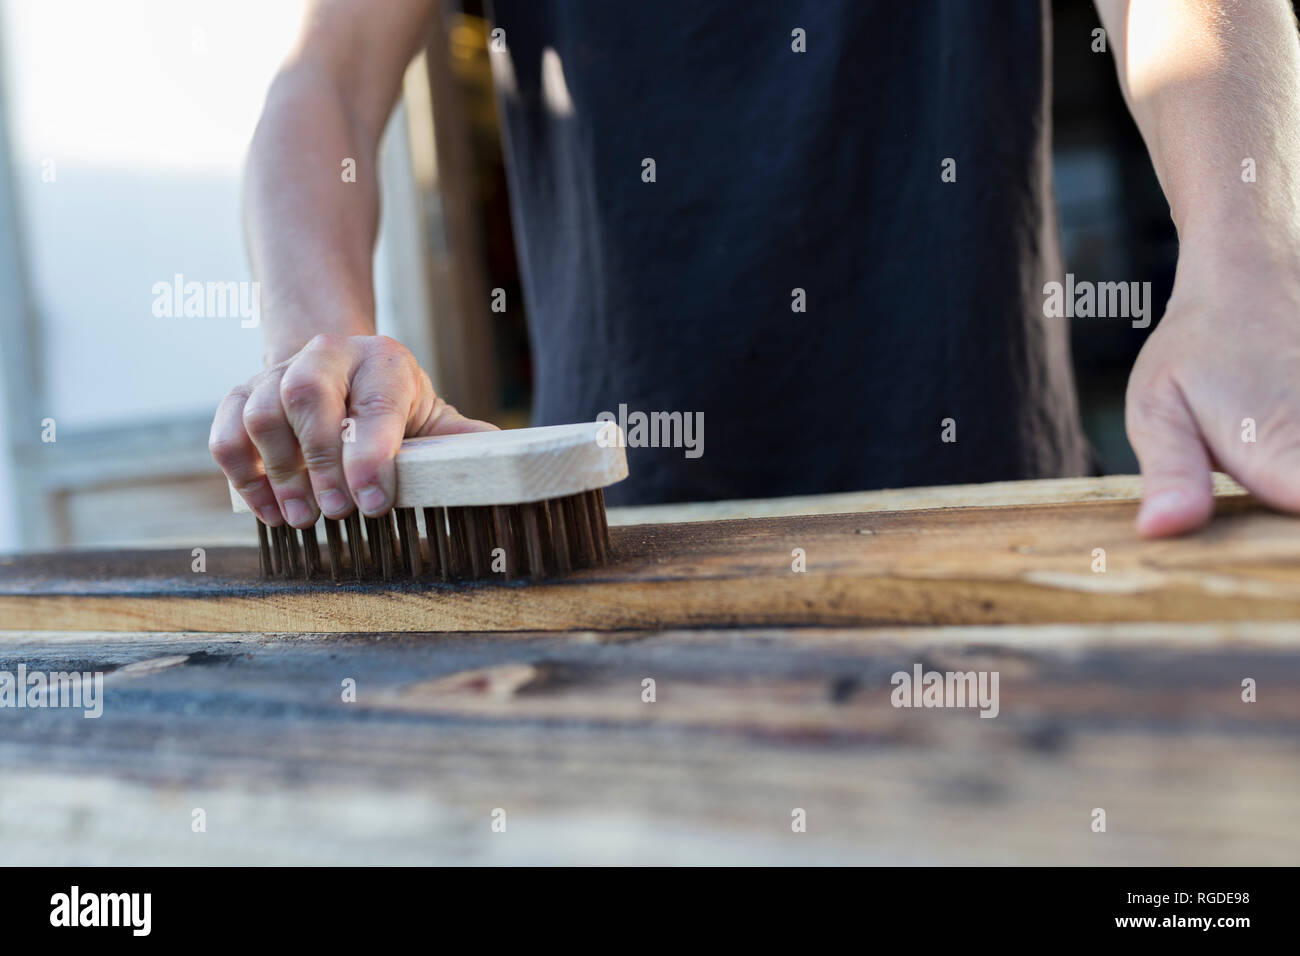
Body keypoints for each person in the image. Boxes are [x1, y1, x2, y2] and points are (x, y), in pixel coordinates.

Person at [210, 0, 1300, 539]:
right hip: (611, 540)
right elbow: (328, 81)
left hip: (994, 509)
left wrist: (1242, 254)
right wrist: (321, 350)